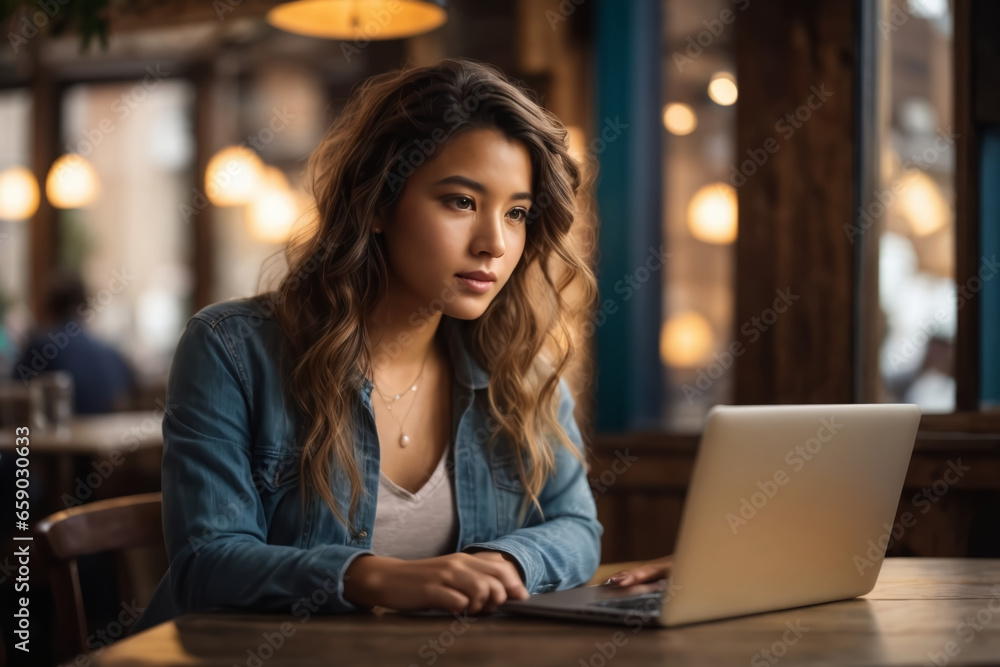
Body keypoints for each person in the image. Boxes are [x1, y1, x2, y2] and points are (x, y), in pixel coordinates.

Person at [132, 57, 602, 633]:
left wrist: (503, 561)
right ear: (378, 203)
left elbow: (578, 528)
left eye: (518, 212)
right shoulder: (232, 350)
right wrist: (376, 577)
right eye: (461, 201)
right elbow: (206, 563)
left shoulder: (520, 363)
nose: (494, 243)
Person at [11, 270, 135, 414]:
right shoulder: (110, 352)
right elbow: (131, 386)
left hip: (58, 434)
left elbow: (14, 392)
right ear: (86, 305)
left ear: (48, 306)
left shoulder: (40, 348)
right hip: (107, 434)